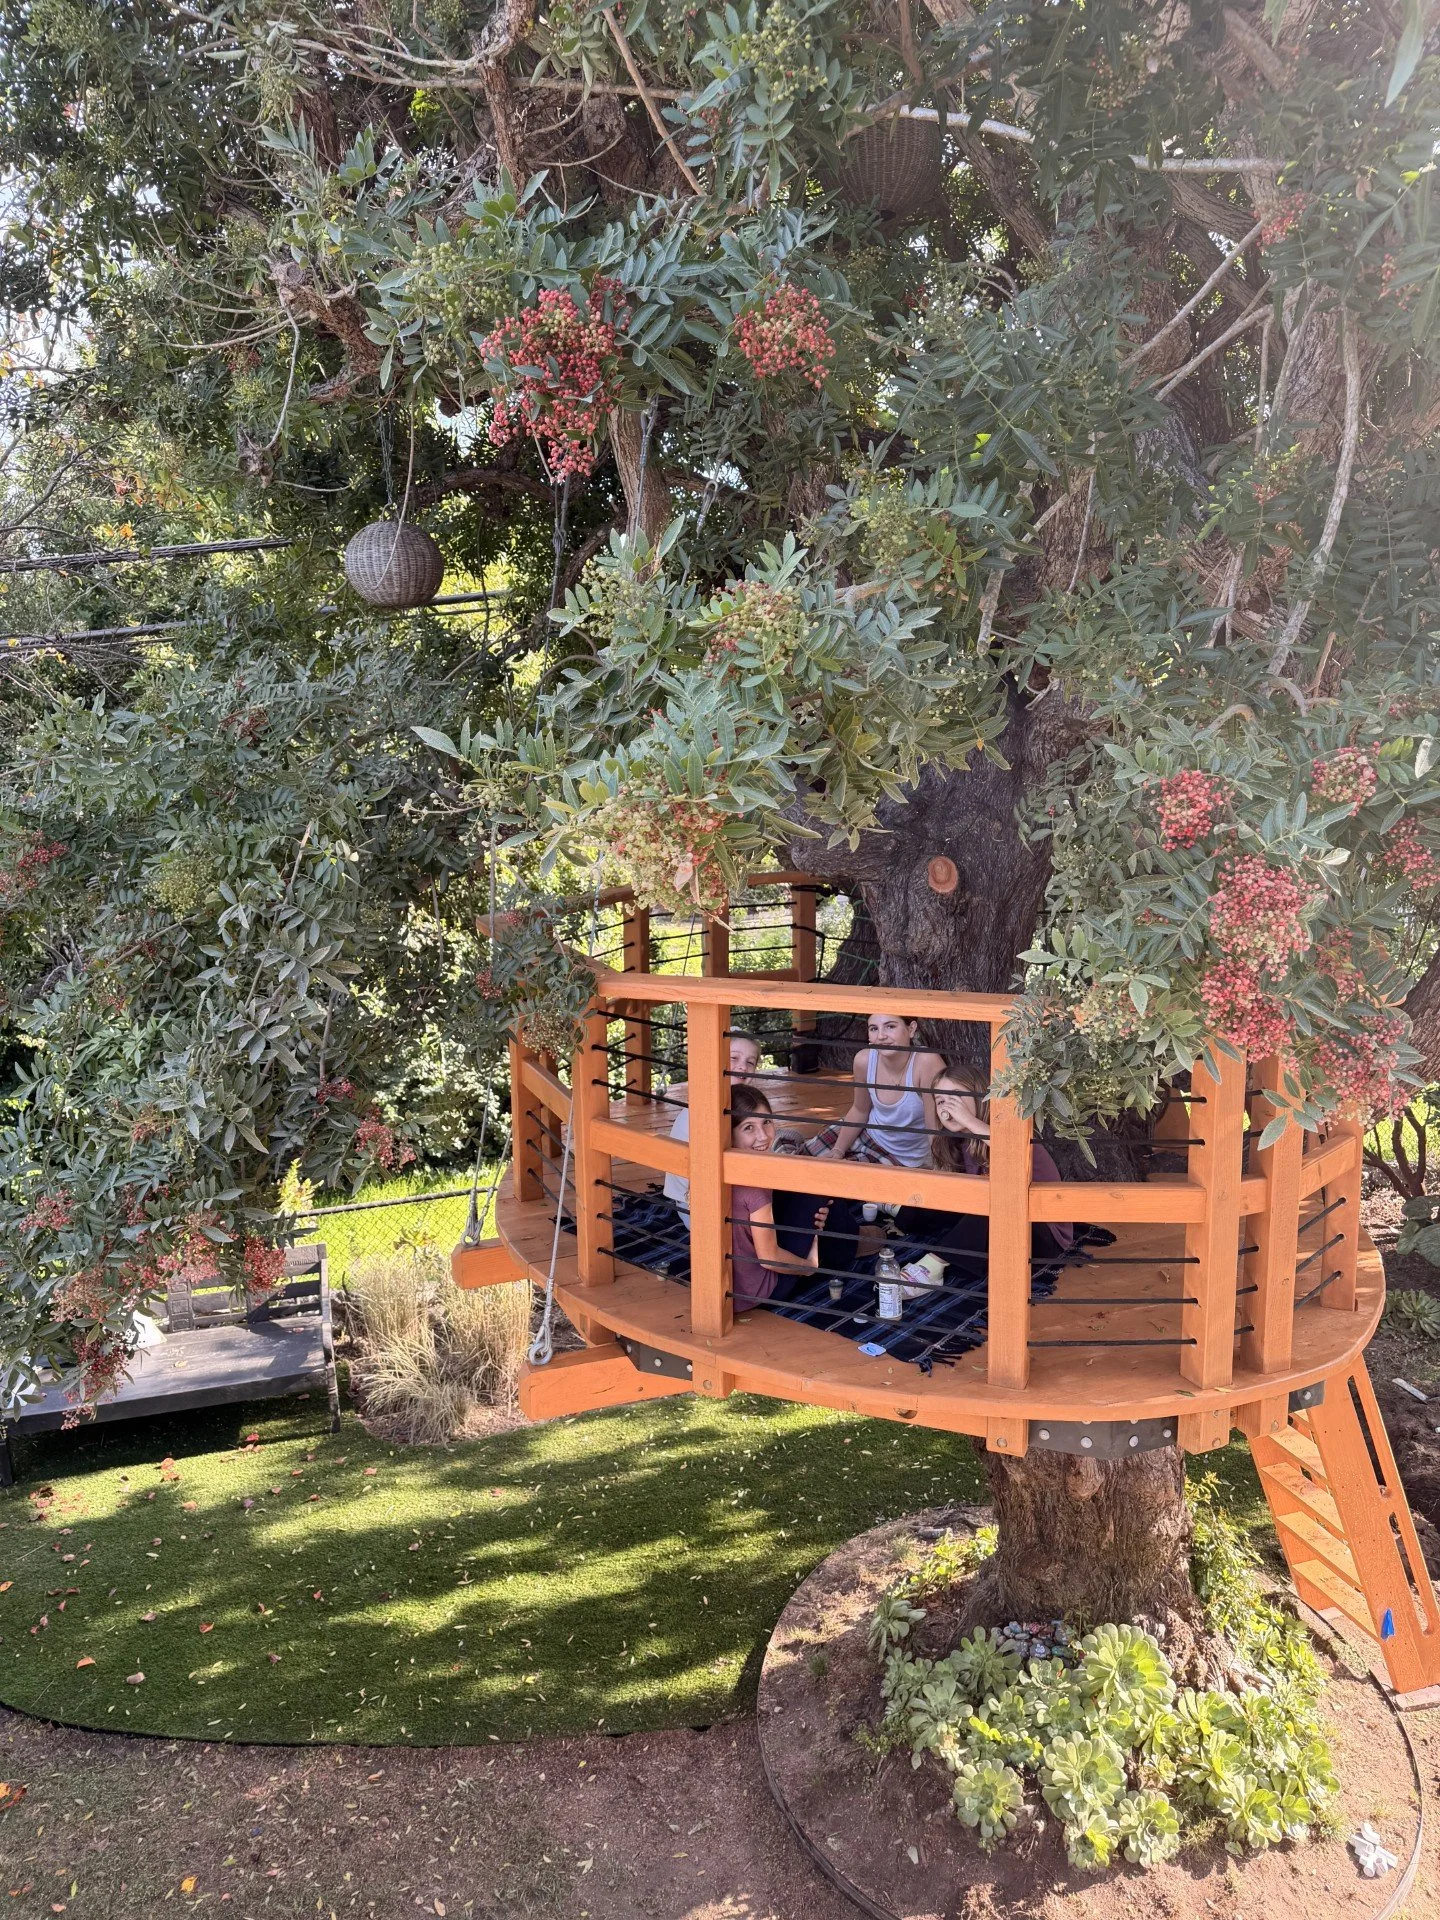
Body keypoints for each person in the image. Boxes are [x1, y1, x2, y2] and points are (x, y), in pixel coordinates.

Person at [895, 1064, 1073, 1280]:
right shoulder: (956, 1141)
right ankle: (894, 1210)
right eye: (940, 1101)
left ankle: (933, 1265)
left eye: (956, 1097)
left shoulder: (1005, 1131)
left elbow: (1014, 1153)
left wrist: (969, 1121)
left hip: (1040, 1234)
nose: (948, 1107)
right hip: (994, 1222)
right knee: (921, 1209)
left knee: (992, 1199)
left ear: (979, 1097)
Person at [727, 1086, 829, 1310]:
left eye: (766, 1122)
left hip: (729, 1283)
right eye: (748, 1127)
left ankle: (844, 1238)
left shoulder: (716, 1166)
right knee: (817, 1192)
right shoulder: (754, 1187)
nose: (763, 1136)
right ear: (728, 1133)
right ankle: (846, 1245)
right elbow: (769, 1257)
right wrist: (808, 1266)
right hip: (759, 1291)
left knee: (796, 1189)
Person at [813, 1012, 946, 1168]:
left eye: (890, 1026)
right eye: (874, 1029)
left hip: (900, 1157)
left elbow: (934, 1128)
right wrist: (838, 1150)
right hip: (865, 1133)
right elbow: (860, 1110)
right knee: (803, 1160)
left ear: (911, 1029)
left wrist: (941, 1172)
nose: (881, 1036)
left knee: (841, 1174)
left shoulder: (927, 1063)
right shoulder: (864, 1060)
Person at [664, 1032, 766, 1227]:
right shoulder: (707, 1104)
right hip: (696, 1205)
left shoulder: (739, 1101)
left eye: (750, 1062)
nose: (742, 1066)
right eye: (734, 1058)